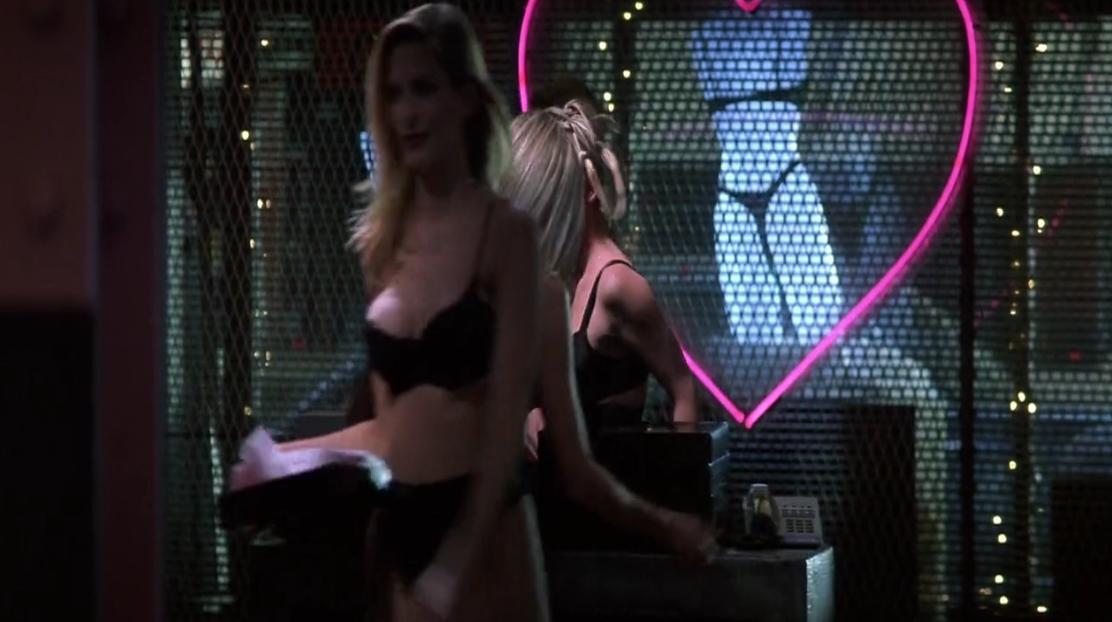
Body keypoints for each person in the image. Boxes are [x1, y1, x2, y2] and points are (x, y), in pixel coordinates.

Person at [278, 4, 546, 620]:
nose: (408, 112)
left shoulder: (507, 235)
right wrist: (289, 457)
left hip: (489, 540)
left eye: (424, 88)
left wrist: (457, 558)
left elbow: (506, 425)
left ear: (466, 98)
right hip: (405, 537)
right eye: (395, 94)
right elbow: (391, 427)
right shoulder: (383, 243)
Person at [506, 98, 698, 450]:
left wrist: (684, 472)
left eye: (546, 203)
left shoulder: (616, 285)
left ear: (588, 189)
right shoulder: (566, 277)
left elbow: (684, 390)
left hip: (609, 479)